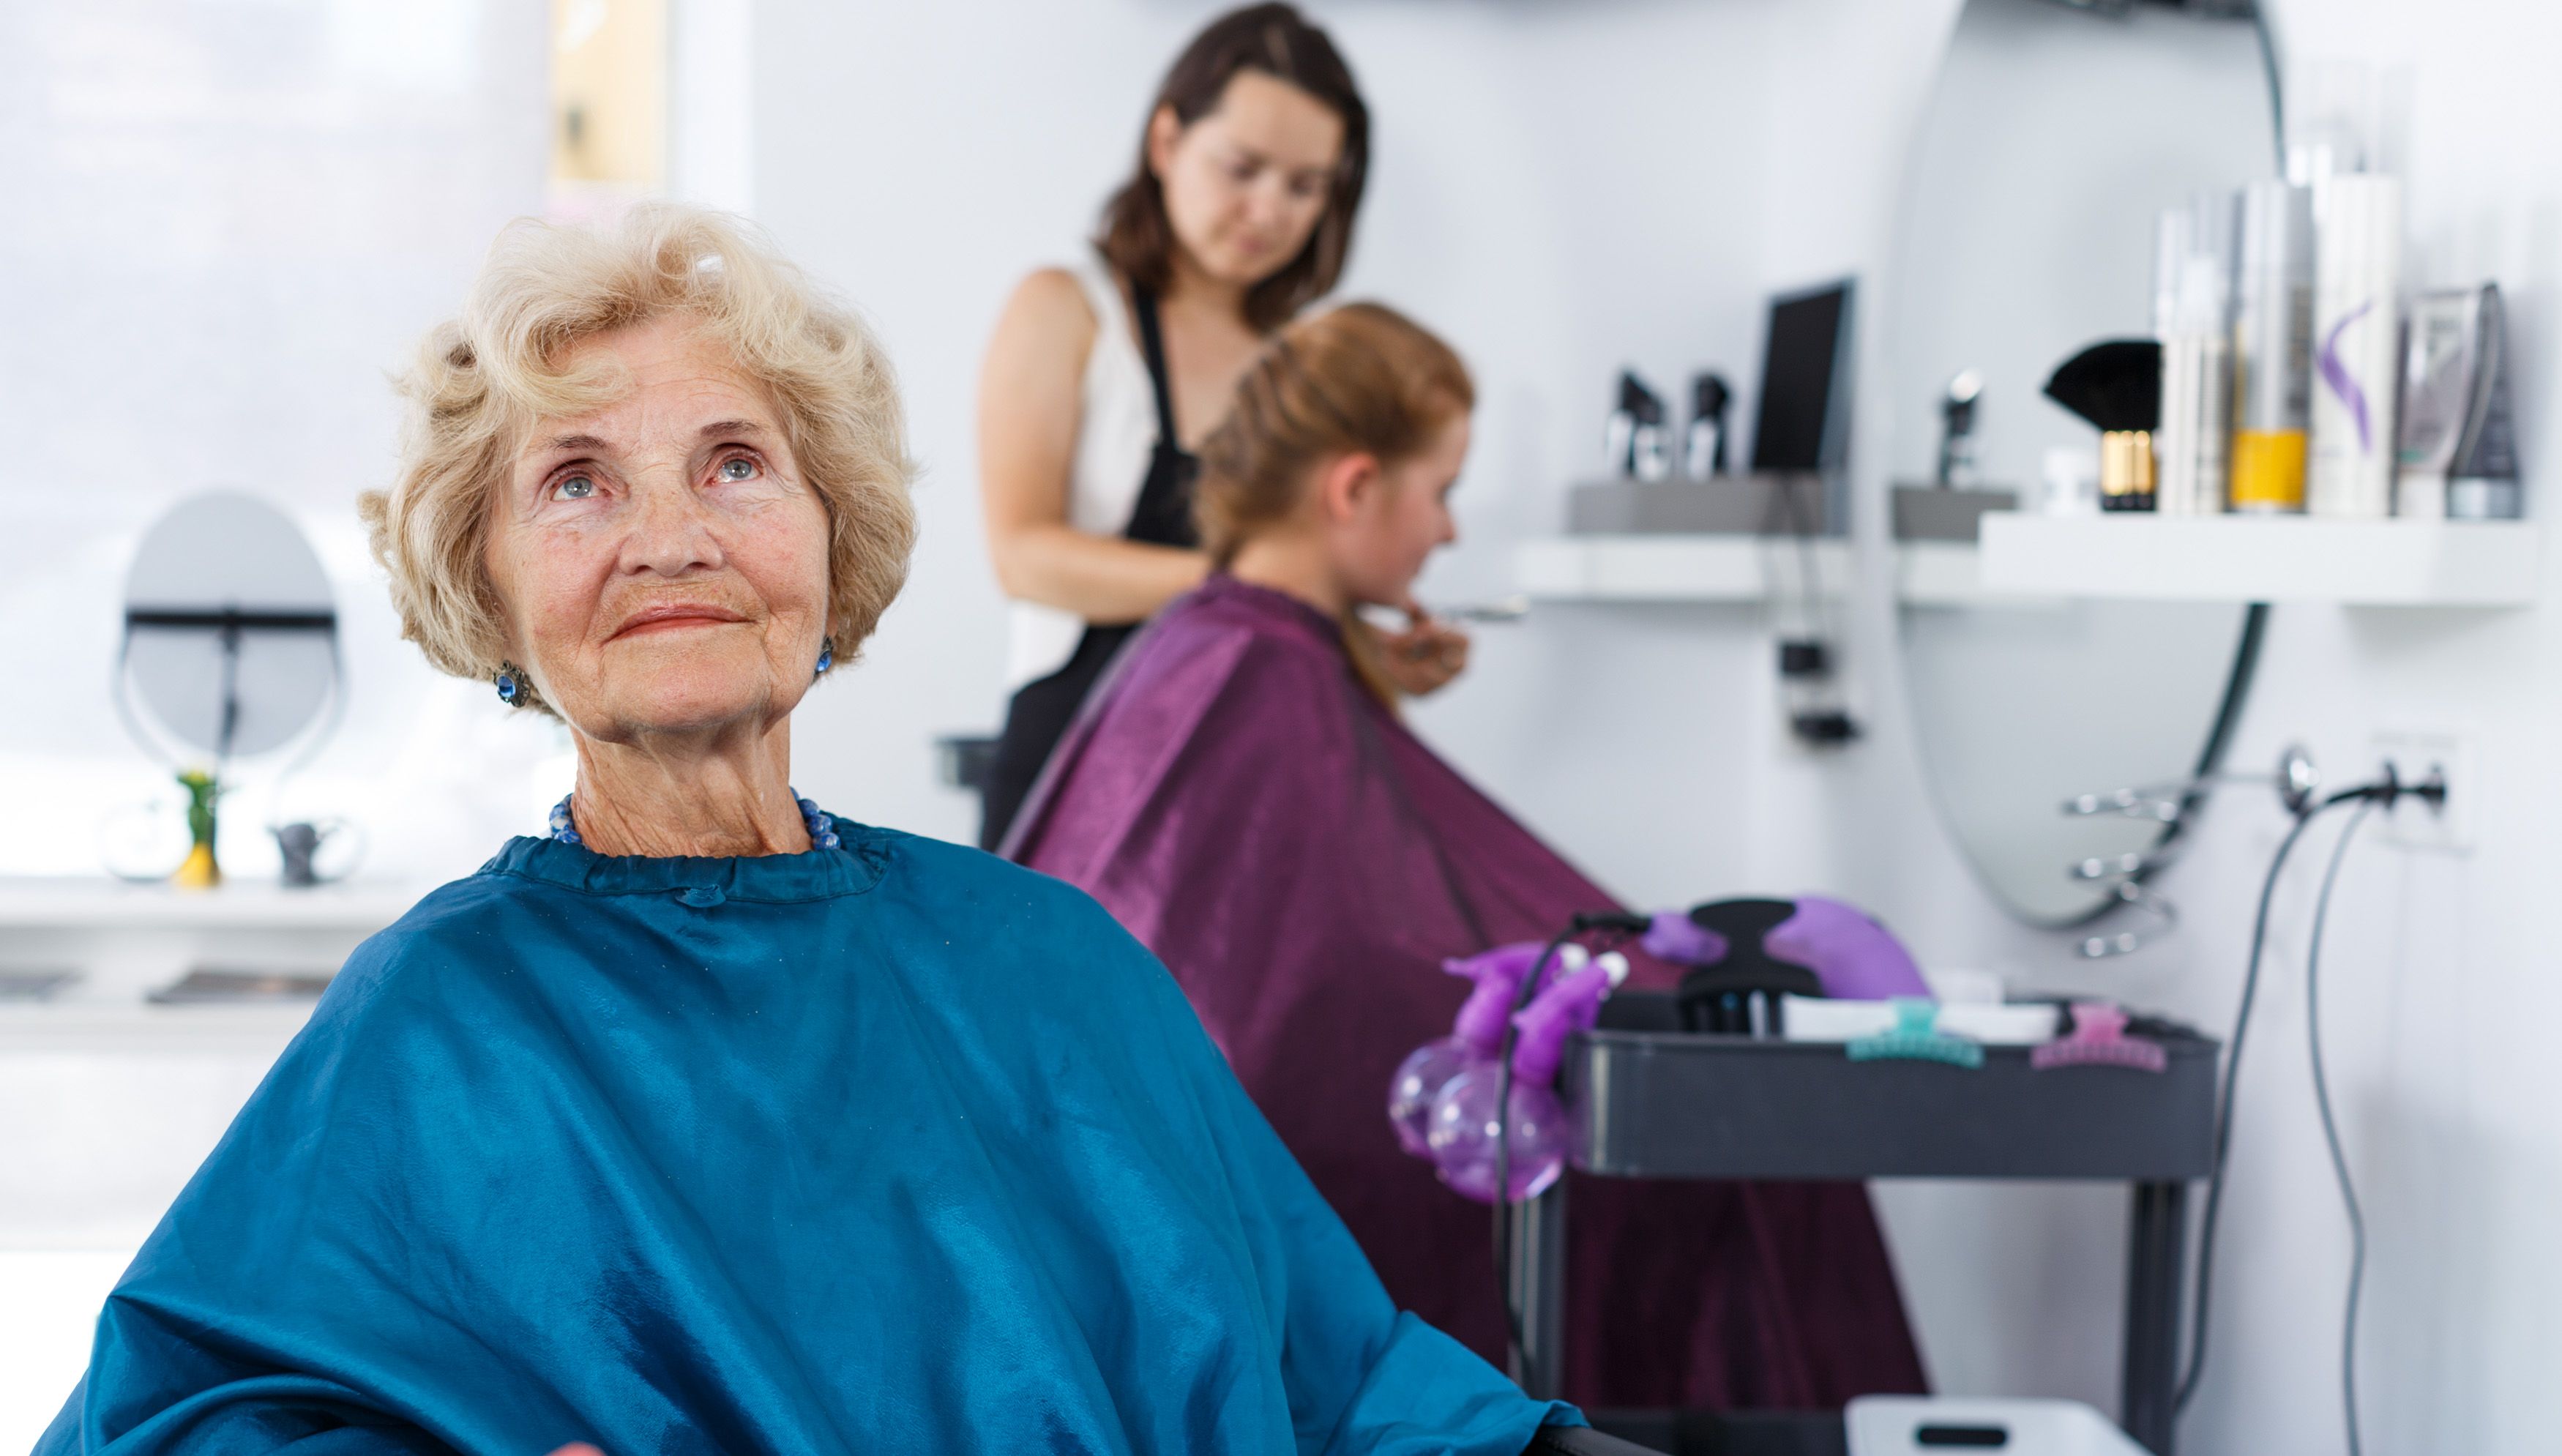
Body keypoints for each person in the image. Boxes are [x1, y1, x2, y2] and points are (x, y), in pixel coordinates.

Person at [36, 204, 1598, 1456]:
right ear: (490, 589)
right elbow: (173, 1417)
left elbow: (1346, 1378)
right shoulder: (440, 1019)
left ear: (827, 536)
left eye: (733, 462)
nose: (672, 537)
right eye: (576, 481)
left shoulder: (1046, 956)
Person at [1006, 303, 1930, 1411]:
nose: (1445, 532)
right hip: (1299, 1163)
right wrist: (1636, 993)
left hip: (1191, 1155)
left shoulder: (1229, 647)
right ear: (1352, 487)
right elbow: (1329, 1001)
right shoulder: (1254, 669)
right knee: (1745, 1144)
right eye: (1439, 490)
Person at [975, 2, 1466, 850]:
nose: (1268, 210)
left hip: (1244, 777)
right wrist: (1246, 589)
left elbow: (1297, 580)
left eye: (1305, 186)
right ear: (1165, 143)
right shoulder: (1064, 310)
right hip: (1077, 761)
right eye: (1242, 168)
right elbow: (1024, 556)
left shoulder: (1298, 361)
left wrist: (1368, 651)